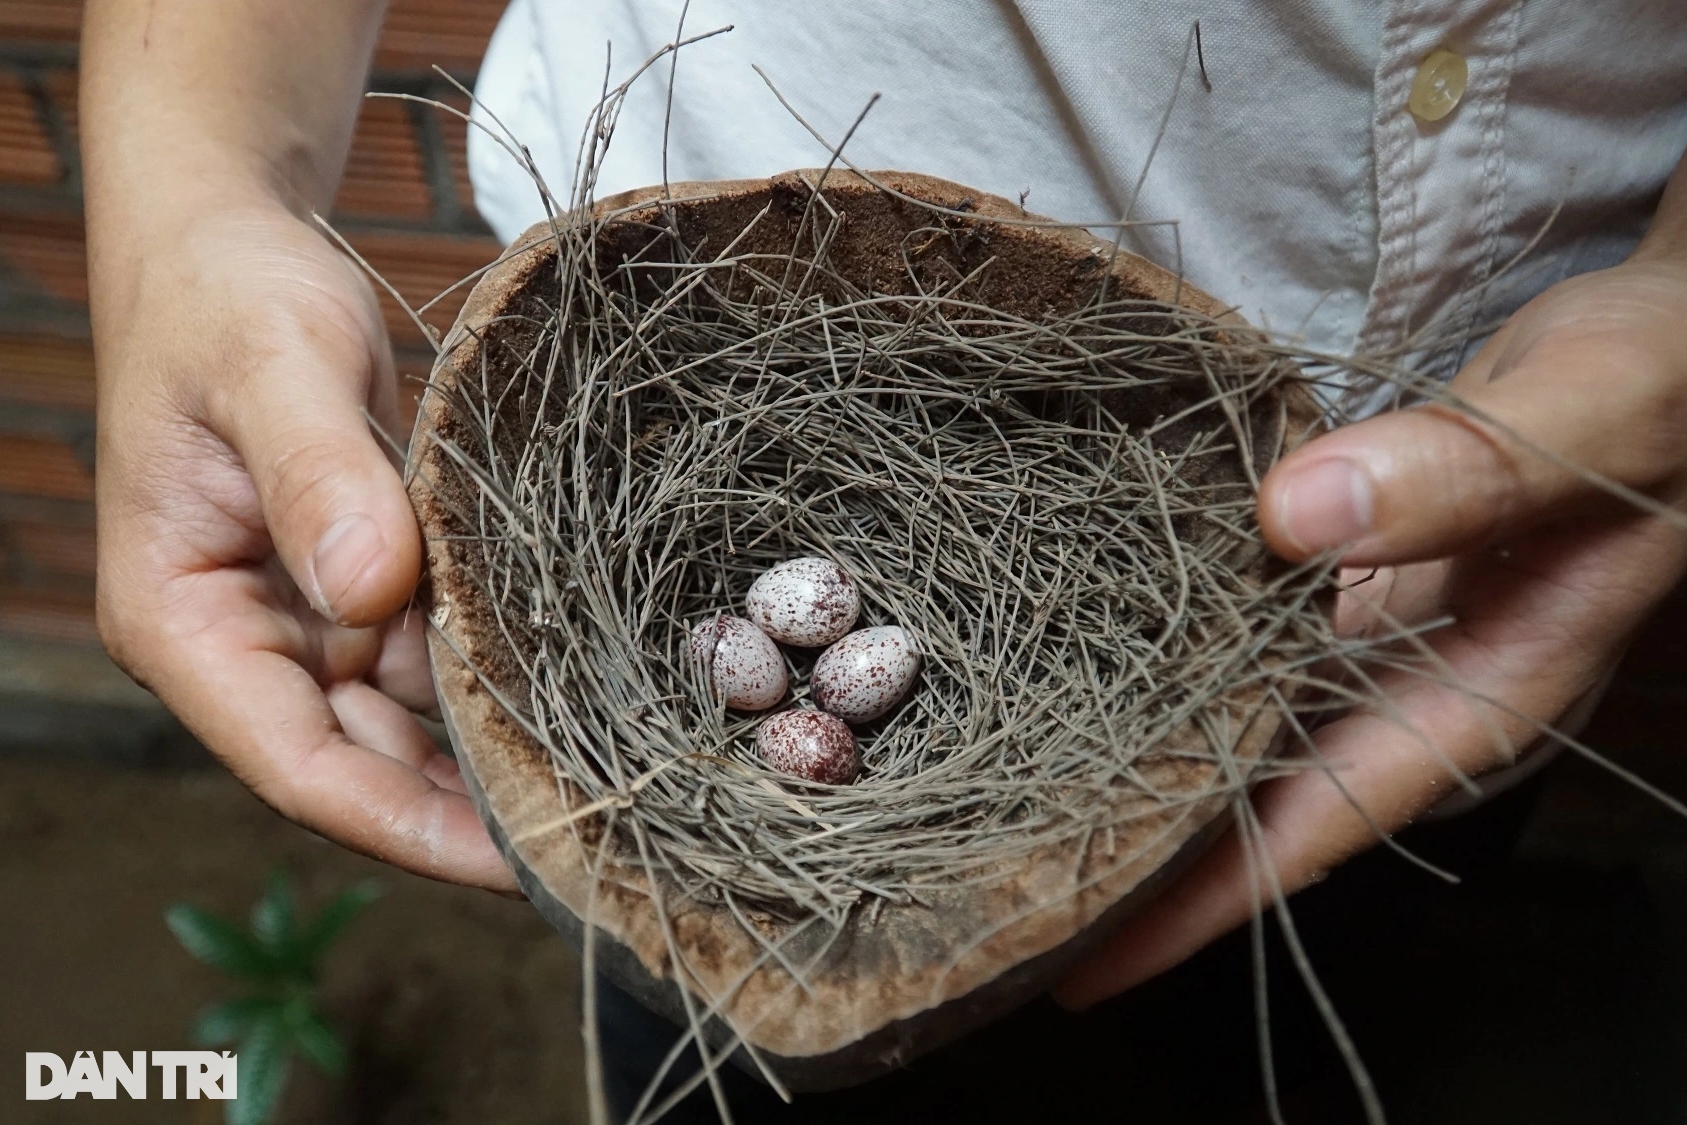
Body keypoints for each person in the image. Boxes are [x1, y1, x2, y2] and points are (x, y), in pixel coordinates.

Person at [82, 0, 1687, 1035]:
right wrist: (196, 183)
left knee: (1353, 984)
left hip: (1464, 584)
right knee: (723, 1026)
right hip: (687, 378)